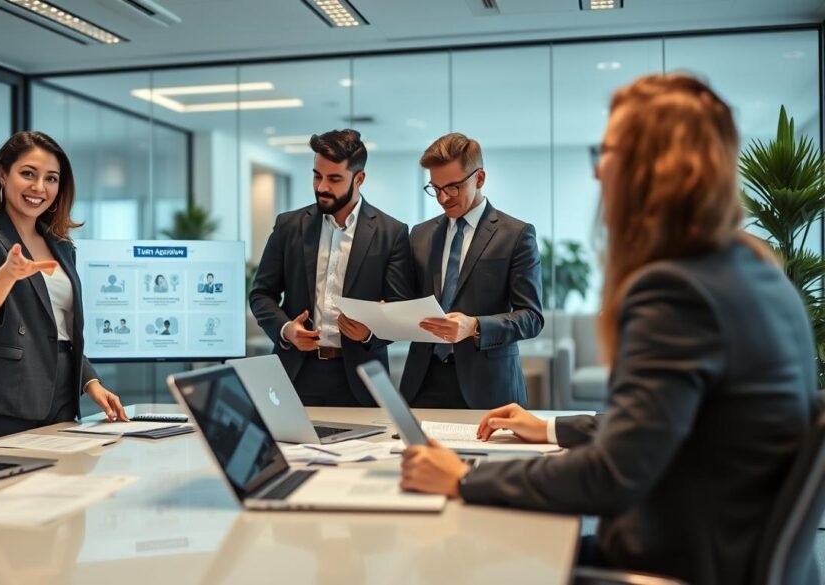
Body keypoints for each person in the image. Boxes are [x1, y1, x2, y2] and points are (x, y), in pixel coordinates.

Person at [399, 74, 819, 585]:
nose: (598, 171)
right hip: (714, 549)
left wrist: (467, 478)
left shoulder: (676, 289)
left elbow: (612, 474)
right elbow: (653, 424)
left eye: (609, 150)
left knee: (466, 559)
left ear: (655, 169)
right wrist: (551, 426)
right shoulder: (750, 271)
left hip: (674, 563)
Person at [0, 131, 128, 440]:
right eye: (28, 173)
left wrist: (91, 383)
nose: (39, 188)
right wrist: (8, 273)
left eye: (51, 178)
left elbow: (59, 330)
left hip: (61, 398)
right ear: (3, 174)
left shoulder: (60, 244)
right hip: (1, 400)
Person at [249, 129, 413, 406]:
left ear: (359, 178)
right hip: (295, 374)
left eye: (334, 178)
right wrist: (287, 329)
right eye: (316, 175)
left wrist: (370, 333)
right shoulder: (289, 226)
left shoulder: (391, 233)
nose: (322, 187)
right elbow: (260, 294)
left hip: (362, 380)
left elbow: (401, 306)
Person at [399, 133, 543, 409]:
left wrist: (474, 326)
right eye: (435, 188)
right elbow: (409, 300)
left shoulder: (516, 235)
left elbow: (532, 317)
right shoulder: (420, 234)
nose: (443, 197)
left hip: (489, 387)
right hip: (422, 383)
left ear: (479, 178)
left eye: (452, 187)